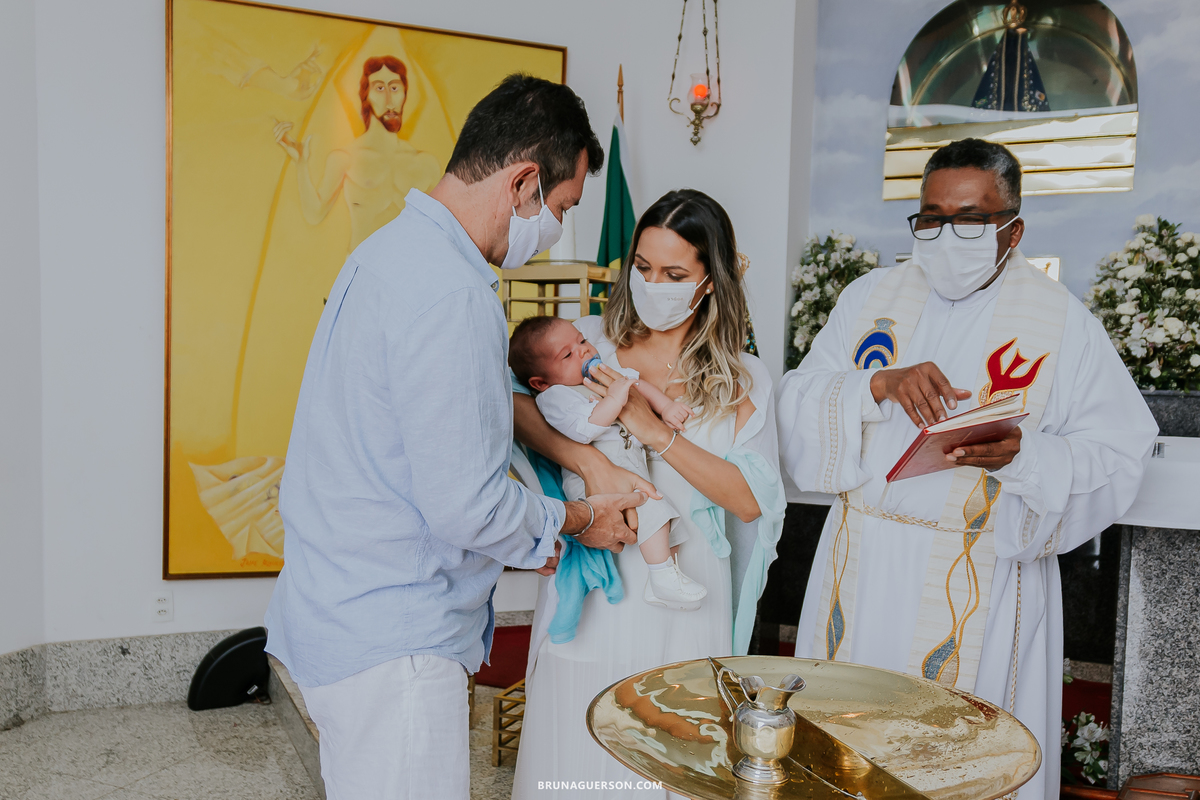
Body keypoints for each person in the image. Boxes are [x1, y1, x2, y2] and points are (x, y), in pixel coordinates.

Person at [263, 74, 655, 800]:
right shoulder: (453, 291)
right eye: (562, 208)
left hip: (336, 609)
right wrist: (578, 518)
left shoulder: (384, 254)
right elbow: (466, 507)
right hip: (396, 642)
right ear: (524, 182)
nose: (558, 231)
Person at [777, 138, 1157, 800]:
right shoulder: (869, 299)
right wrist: (875, 385)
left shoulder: (1062, 324)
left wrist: (1025, 454)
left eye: (972, 219)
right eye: (931, 216)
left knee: (956, 768)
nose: (949, 234)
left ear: (1012, 228)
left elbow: (1121, 451)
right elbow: (796, 402)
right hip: (861, 564)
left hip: (979, 567)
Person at [512, 189, 787, 800]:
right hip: (599, 578)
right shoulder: (581, 343)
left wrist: (654, 431)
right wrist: (589, 462)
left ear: (710, 281)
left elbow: (748, 501)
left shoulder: (742, 375)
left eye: (673, 273)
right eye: (641, 267)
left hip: (690, 588)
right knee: (582, 753)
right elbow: (510, 406)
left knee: (671, 756)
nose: (651, 283)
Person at [509, 315, 707, 609]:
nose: (584, 351)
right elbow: (585, 429)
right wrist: (615, 398)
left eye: (582, 340)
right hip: (594, 478)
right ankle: (661, 575)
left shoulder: (605, 373)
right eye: (568, 354)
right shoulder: (555, 396)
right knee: (652, 507)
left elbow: (636, 384)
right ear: (540, 381)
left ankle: (665, 576)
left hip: (629, 462)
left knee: (667, 521)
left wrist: (665, 407)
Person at [273, 55, 443, 251]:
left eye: (394, 88)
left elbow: (441, 232)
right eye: (379, 88)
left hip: (409, 276)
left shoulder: (427, 164)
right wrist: (301, 164)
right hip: (361, 274)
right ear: (366, 96)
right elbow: (314, 214)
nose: (389, 99)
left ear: (405, 94)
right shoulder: (346, 158)